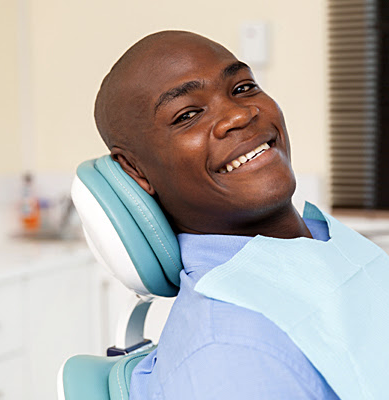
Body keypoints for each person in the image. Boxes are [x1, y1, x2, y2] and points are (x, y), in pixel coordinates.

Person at [94, 30, 339, 399]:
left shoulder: (324, 240)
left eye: (242, 88)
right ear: (135, 170)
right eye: (188, 115)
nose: (239, 115)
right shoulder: (231, 353)